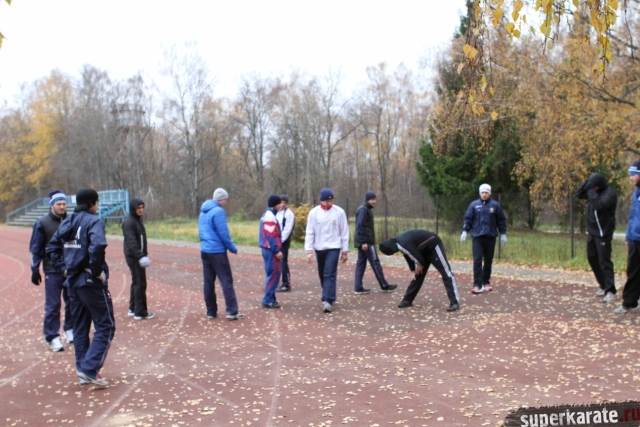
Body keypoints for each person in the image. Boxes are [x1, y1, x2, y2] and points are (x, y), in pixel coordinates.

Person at [46, 188, 115, 387]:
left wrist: (63, 269)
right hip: (89, 282)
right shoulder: (93, 221)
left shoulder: (68, 221)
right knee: (106, 325)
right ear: (93, 202)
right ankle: (89, 368)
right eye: (97, 202)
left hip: (73, 282)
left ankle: (83, 369)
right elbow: (98, 245)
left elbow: (52, 247)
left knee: (80, 327)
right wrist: (95, 270)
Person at [29, 189, 73, 352]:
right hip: (52, 269)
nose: (62, 207)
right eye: (58, 204)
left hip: (70, 268)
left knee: (73, 301)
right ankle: (52, 336)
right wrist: (35, 269)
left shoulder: (71, 220)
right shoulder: (42, 223)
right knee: (53, 304)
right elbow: (36, 248)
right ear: (52, 205)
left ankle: (70, 328)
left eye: (64, 204)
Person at [379, 229, 460, 312]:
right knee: (418, 274)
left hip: (433, 245)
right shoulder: (398, 242)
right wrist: (413, 270)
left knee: (446, 273)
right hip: (422, 251)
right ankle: (407, 300)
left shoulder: (402, 243)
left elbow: (419, 260)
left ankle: (454, 302)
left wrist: (420, 265)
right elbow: (408, 255)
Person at [199, 188, 243, 320]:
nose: (226, 202)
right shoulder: (218, 211)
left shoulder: (202, 213)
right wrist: (232, 248)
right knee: (226, 279)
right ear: (221, 199)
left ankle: (211, 311)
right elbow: (223, 233)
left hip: (205, 250)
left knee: (208, 281)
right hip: (217, 251)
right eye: (225, 200)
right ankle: (231, 311)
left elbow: (201, 233)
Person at [305, 188, 349, 313]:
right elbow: (310, 231)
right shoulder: (314, 213)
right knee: (322, 273)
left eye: (331, 201)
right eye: (326, 201)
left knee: (329, 272)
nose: (329, 203)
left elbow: (344, 231)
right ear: (321, 201)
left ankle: (327, 300)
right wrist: (309, 250)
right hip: (320, 247)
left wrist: (344, 251)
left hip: (334, 247)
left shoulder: (339, 212)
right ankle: (330, 294)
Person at [575, 173, 618, 303]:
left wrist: (590, 190)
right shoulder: (592, 191)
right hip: (593, 231)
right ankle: (603, 285)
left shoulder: (609, 194)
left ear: (599, 185)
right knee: (592, 257)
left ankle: (610, 290)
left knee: (604, 261)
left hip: (603, 232)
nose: (593, 189)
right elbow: (579, 194)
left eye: (594, 186)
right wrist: (586, 182)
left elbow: (599, 205)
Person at [460, 183, 507, 294]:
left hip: (490, 237)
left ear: (489, 193)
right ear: (480, 193)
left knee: (488, 261)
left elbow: (501, 220)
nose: (484, 194)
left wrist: (503, 233)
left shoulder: (495, 205)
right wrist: (465, 231)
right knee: (477, 260)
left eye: (486, 192)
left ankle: (486, 282)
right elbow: (468, 219)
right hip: (477, 237)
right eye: (482, 192)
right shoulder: (474, 205)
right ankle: (477, 284)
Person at [353, 191, 397, 294]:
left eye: (375, 199)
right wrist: (364, 241)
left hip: (363, 241)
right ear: (367, 199)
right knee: (375, 262)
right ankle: (384, 285)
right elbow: (360, 226)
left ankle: (358, 287)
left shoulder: (365, 209)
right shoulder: (363, 210)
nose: (374, 201)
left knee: (361, 264)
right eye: (372, 199)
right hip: (367, 242)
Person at [614, 161, 640, 314]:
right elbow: (633, 216)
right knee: (633, 271)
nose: (631, 178)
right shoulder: (636, 192)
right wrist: (628, 237)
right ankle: (630, 302)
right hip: (635, 239)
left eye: (633, 174)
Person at [122, 197, 153, 320]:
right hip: (134, 257)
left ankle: (133, 308)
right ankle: (140, 312)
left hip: (137, 256)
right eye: (138, 208)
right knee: (140, 283)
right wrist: (140, 256)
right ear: (133, 208)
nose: (141, 210)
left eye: (142, 207)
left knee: (136, 282)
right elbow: (131, 241)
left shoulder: (136, 220)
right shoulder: (129, 222)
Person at [260, 194, 284, 308]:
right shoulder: (270, 217)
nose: (281, 205)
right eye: (279, 203)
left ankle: (271, 298)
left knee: (271, 273)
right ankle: (267, 299)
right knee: (274, 274)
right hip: (270, 250)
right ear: (274, 204)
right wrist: (276, 251)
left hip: (267, 249)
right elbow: (270, 236)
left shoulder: (267, 215)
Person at [275, 195, 295, 292]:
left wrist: (280, 241)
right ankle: (273, 283)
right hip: (275, 241)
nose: (282, 204)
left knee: (283, 262)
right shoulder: (276, 212)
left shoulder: (289, 214)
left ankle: (286, 284)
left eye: (285, 202)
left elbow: (287, 230)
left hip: (283, 242)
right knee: (274, 262)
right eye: (281, 202)